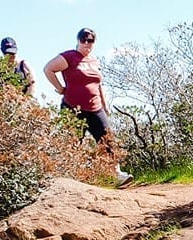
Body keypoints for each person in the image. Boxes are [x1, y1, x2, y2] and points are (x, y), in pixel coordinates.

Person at [42, 27, 133, 186]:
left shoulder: (94, 61)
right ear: (78, 41)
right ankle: (68, 177)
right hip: (73, 108)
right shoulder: (69, 57)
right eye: (83, 39)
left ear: (94, 42)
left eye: (90, 40)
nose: (86, 43)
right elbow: (48, 69)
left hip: (95, 108)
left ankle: (116, 174)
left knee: (107, 140)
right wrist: (60, 88)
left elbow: (99, 85)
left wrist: (105, 105)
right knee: (72, 142)